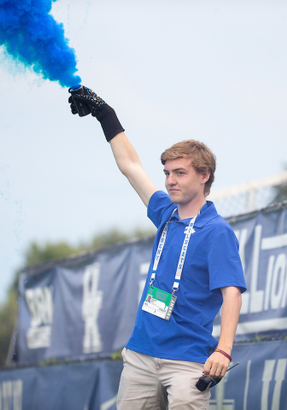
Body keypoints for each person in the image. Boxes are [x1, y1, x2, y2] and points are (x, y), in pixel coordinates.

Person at [69, 87, 247, 410]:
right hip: (140, 355)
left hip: (187, 362)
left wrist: (223, 349)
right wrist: (104, 114)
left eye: (180, 173)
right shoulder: (166, 213)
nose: (169, 181)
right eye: (167, 173)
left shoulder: (217, 231)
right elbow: (131, 167)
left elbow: (231, 293)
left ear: (204, 176)